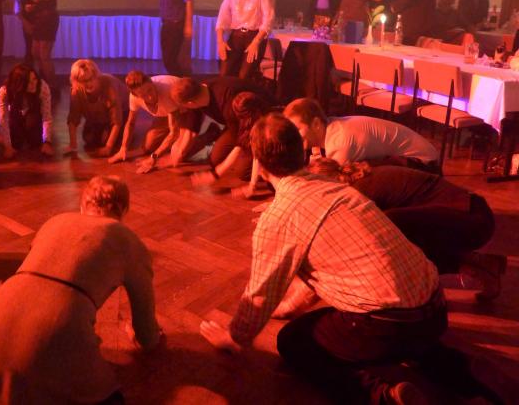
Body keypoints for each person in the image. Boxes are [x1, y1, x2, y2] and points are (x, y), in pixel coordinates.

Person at [199, 113, 502, 405]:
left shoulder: (279, 218)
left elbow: (260, 294)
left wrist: (234, 338)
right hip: (434, 310)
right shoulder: (341, 190)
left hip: (386, 325)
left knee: (295, 341)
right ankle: (464, 370)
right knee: (410, 337)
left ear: (260, 163)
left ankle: (381, 396)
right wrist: (291, 305)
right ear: (301, 152)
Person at [0, 176, 161, 404]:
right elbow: (147, 335)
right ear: (124, 210)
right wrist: (142, 336)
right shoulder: (129, 242)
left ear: (82, 205)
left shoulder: (54, 222)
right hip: (54, 333)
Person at [308, 158, 505, 301]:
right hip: (474, 214)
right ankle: (479, 264)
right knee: (390, 231)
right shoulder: (364, 177)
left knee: (386, 232)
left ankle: (463, 273)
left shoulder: (360, 193)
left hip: (473, 222)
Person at [284, 97, 439, 170]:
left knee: (356, 180)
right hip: (416, 159)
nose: (292, 136)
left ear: (316, 124)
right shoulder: (330, 128)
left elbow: (329, 185)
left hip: (424, 164)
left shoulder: (340, 141)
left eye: (297, 129)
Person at [170, 76, 273, 171]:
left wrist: (218, 172)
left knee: (242, 170)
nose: (185, 109)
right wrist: (179, 149)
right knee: (215, 160)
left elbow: (242, 135)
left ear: (190, 103)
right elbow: (191, 129)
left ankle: (270, 163)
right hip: (234, 125)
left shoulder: (227, 100)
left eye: (184, 106)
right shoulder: (198, 92)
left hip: (263, 123)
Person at [190, 91, 272, 197]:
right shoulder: (250, 120)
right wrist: (215, 174)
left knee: (244, 171)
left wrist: (252, 186)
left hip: (280, 154)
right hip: (262, 144)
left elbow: (257, 157)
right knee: (219, 158)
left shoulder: (266, 125)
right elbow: (240, 145)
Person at [108, 71, 182, 174]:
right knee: (148, 146)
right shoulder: (133, 97)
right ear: (136, 95)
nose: (150, 97)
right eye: (143, 95)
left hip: (186, 108)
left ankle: (203, 137)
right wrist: (123, 148)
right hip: (167, 113)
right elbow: (130, 123)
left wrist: (154, 157)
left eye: (150, 90)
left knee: (180, 152)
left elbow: (174, 132)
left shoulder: (166, 90)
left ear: (152, 82)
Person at [216, 0, 274, 78]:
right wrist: (220, 41)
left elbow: (268, 20)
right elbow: (222, 17)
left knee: (244, 76)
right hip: (236, 37)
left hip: (254, 37)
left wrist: (256, 42)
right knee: (224, 73)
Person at [66, 59, 128, 157]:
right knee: (89, 139)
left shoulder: (109, 85)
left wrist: (108, 147)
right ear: (77, 81)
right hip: (97, 115)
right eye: (84, 81)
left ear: (96, 76)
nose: (88, 84)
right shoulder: (76, 90)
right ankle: (103, 127)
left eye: (91, 79)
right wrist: (72, 145)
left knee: (110, 141)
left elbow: (117, 119)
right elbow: (73, 118)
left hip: (122, 111)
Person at [0, 64, 54, 159]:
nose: (34, 83)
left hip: (33, 113)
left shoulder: (42, 87)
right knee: (16, 144)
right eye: (29, 82)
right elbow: (3, 119)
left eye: (35, 79)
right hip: (15, 114)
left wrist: (47, 141)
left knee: (35, 142)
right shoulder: (5, 91)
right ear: (20, 84)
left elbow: (46, 116)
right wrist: (7, 146)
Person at [25, 0, 59, 94]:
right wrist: (32, 6)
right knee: (35, 52)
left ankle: (53, 86)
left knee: (44, 54)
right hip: (40, 18)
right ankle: (43, 81)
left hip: (47, 19)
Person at [13, 0, 36, 66]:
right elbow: (16, 7)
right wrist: (24, 22)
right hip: (27, 20)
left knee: (40, 50)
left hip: (41, 20)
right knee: (29, 47)